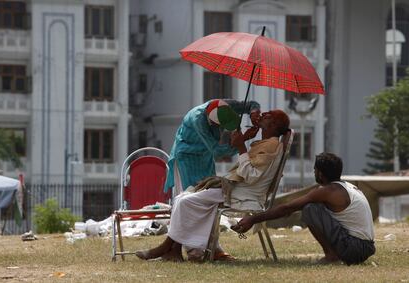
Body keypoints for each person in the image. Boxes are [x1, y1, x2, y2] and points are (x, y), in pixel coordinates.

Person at [135, 109, 290, 262]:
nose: (262, 114)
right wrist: (244, 140)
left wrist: (241, 147)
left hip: (242, 195)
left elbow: (251, 175)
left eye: (267, 115)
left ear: (273, 125)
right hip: (237, 189)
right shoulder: (267, 143)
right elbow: (249, 170)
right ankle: (174, 250)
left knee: (185, 201)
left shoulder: (271, 145)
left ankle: (166, 247)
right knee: (182, 197)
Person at [232, 152, 376, 265]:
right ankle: (334, 254)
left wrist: (252, 219)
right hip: (366, 248)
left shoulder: (328, 191)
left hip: (355, 249)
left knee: (310, 208)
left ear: (320, 173)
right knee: (312, 207)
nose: (314, 173)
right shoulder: (348, 187)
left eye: (315, 170)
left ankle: (331, 256)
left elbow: (288, 208)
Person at [164, 99, 261, 198]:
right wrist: (243, 139)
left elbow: (252, 104)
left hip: (205, 155)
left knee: (209, 192)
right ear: (214, 123)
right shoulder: (198, 120)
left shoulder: (224, 105)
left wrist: (254, 113)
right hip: (187, 157)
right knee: (190, 196)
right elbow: (217, 151)